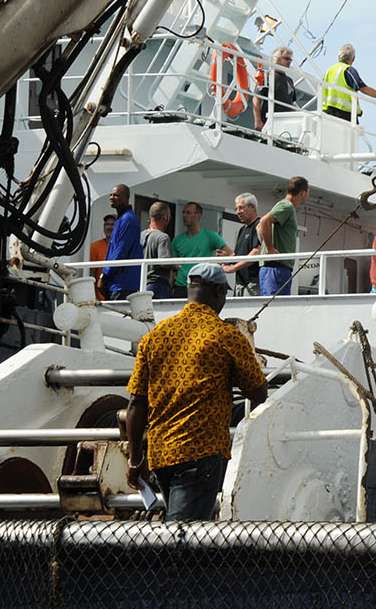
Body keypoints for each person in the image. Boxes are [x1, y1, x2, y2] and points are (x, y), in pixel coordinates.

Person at [125, 263, 268, 521]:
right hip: (200, 454)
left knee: (179, 533)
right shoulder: (226, 336)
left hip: (161, 455)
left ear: (190, 289)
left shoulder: (154, 336)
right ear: (218, 292)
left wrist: (135, 460)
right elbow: (258, 392)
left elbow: (135, 404)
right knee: (182, 542)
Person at [257, 177, 308, 296]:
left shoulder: (285, 206)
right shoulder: (287, 206)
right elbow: (264, 222)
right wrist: (269, 249)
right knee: (274, 308)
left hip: (277, 269)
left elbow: (259, 227)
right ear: (303, 192)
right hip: (276, 269)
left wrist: (265, 245)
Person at [172, 202, 230, 298]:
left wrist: (224, 258)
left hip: (201, 285)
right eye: (183, 212)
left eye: (188, 213)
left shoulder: (211, 236)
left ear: (198, 215)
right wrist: (171, 286)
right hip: (180, 286)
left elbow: (231, 254)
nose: (184, 215)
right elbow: (173, 269)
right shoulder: (177, 240)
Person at [320, 43, 376, 123]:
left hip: (329, 113)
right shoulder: (348, 70)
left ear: (339, 57)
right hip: (345, 114)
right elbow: (363, 88)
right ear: (353, 58)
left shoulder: (329, 71)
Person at [101, 185, 141, 299]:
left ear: (126, 197)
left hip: (122, 283)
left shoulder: (127, 219)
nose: (112, 197)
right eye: (110, 195)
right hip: (116, 283)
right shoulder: (121, 219)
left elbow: (120, 251)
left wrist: (105, 275)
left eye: (116, 195)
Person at [223, 193, 262, 296]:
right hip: (240, 284)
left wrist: (232, 268)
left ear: (252, 207)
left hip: (253, 283)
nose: (238, 212)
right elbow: (238, 255)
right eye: (236, 209)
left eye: (241, 208)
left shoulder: (259, 225)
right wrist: (226, 259)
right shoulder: (242, 229)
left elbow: (257, 251)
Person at [254, 46, 298, 131]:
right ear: (277, 59)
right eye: (286, 59)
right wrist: (258, 120)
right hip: (269, 122)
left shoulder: (290, 81)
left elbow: (292, 104)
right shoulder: (267, 76)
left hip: (285, 124)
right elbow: (256, 98)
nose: (289, 62)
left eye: (290, 60)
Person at [141, 201, 175, 301]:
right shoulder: (162, 237)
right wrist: (175, 265)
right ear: (165, 217)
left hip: (141, 284)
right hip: (158, 285)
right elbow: (164, 262)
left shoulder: (141, 235)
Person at [89, 214, 115, 301]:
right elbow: (92, 272)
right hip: (100, 297)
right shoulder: (95, 246)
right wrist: (93, 296)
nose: (109, 227)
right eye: (107, 224)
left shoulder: (122, 247)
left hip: (117, 293)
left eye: (112, 224)